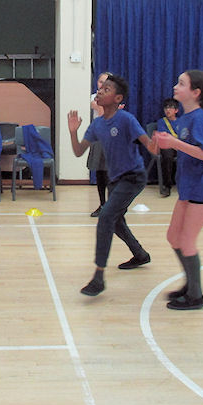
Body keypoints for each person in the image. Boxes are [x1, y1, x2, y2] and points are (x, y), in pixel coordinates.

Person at [68, 74, 154, 297]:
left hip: (133, 176)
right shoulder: (97, 124)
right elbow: (78, 151)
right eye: (101, 88)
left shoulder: (126, 119)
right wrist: (72, 131)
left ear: (117, 98)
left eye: (106, 89)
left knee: (106, 217)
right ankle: (140, 254)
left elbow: (150, 145)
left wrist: (161, 143)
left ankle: (98, 276)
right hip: (116, 179)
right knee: (116, 221)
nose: (100, 91)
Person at [154, 70, 203, 311]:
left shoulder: (199, 118)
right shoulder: (184, 118)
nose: (175, 86)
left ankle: (195, 296)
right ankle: (190, 284)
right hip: (189, 187)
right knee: (174, 237)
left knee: (187, 240)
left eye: (181, 84)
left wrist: (174, 144)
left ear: (195, 92)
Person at [87, 71, 112, 218]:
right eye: (100, 82)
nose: (102, 84)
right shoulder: (93, 97)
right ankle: (102, 204)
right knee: (100, 172)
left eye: (106, 82)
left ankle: (111, 205)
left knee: (111, 173)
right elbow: (102, 113)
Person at [156, 98, 180, 197]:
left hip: (180, 146)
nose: (168, 110)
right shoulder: (162, 122)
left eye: (170, 108)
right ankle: (167, 186)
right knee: (167, 157)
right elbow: (163, 136)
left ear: (176, 110)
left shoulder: (182, 121)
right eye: (166, 108)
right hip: (168, 146)